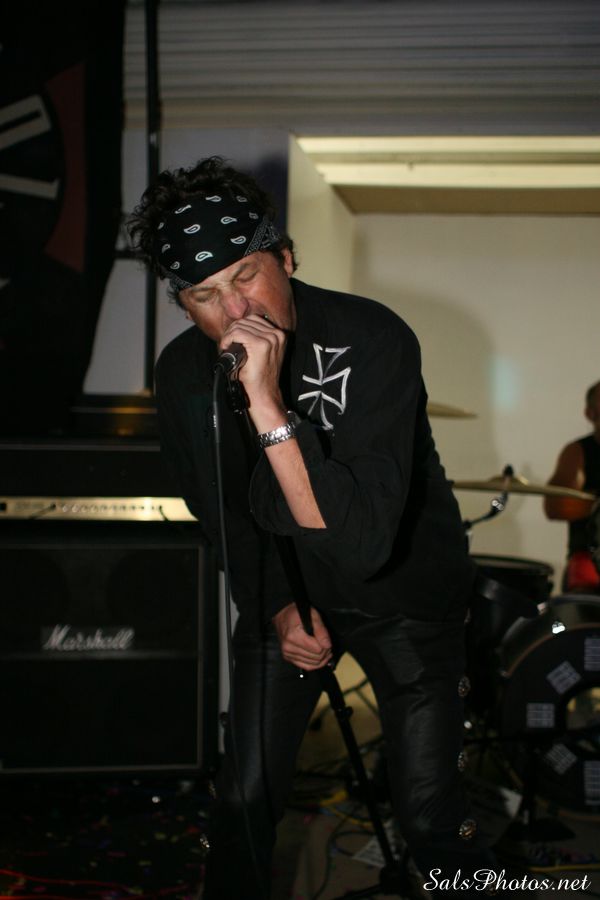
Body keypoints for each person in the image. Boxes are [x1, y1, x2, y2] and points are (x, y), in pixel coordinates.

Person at [129, 156, 497, 898]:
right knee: (243, 799)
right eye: (204, 295)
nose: (236, 311)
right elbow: (223, 514)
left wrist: (267, 404)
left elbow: (359, 543)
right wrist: (274, 606)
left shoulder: (373, 336)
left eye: (245, 276)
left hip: (404, 591)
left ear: (287, 258)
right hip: (285, 590)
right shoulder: (181, 374)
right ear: (183, 304)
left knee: (429, 813)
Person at [543, 380, 600, 593]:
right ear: (590, 414)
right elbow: (556, 507)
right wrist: (595, 504)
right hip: (589, 558)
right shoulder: (578, 452)